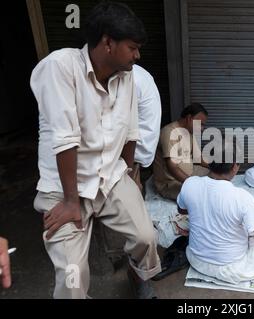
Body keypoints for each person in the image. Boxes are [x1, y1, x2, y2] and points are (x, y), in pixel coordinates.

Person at [30, 2, 160, 299]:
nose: (137, 55)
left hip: (110, 177)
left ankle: (138, 274)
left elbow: (130, 132)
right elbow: (65, 138)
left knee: (146, 238)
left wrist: (129, 174)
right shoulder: (60, 66)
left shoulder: (127, 75)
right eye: (133, 47)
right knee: (72, 280)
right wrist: (72, 201)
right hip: (64, 190)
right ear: (107, 42)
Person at [178, 139, 254, 284]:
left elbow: (182, 209)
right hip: (231, 270)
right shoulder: (242, 197)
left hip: (196, 260)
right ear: (235, 167)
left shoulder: (190, 183)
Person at [153, 103, 209, 200]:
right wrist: (191, 183)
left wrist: (216, 167)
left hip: (190, 175)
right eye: (200, 124)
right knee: (199, 196)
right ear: (189, 118)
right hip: (171, 183)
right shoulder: (169, 132)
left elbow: (198, 158)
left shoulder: (190, 132)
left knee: (216, 177)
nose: (202, 128)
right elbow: (172, 167)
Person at [130, 64, 162, 190]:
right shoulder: (141, 74)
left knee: (131, 189)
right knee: (134, 187)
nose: (137, 55)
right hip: (142, 152)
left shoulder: (130, 79)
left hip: (135, 152)